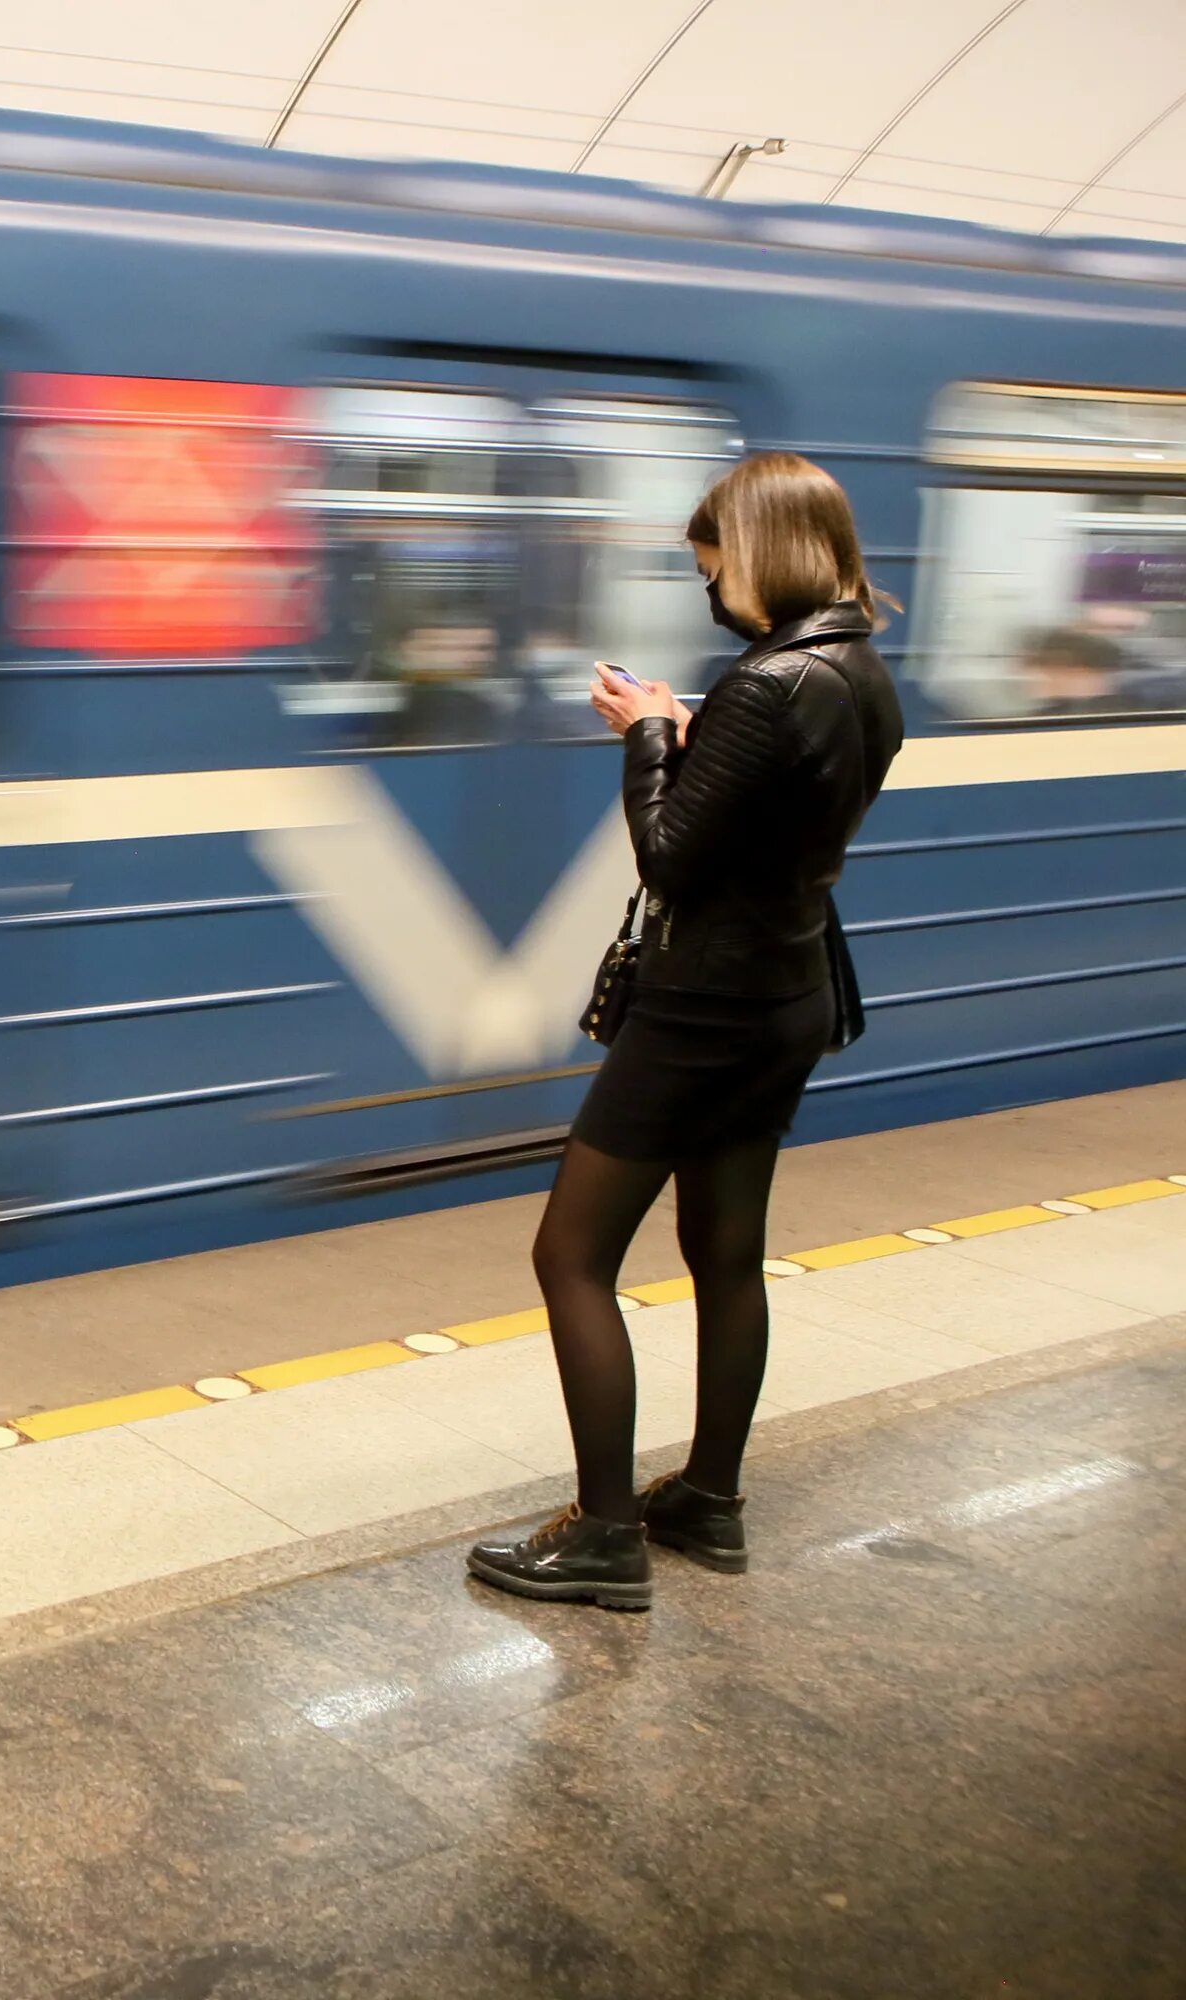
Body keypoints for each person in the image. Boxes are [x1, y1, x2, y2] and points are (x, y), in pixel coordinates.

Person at [467, 452, 904, 1609]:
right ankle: (711, 1501)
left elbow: (670, 853)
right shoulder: (858, 669)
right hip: (789, 994)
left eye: (716, 570)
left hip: (700, 1008)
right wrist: (698, 728)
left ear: (759, 555)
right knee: (725, 1252)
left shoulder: (767, 684)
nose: (712, 593)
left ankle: (605, 1531)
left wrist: (648, 733)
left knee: (570, 1255)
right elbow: (786, 812)